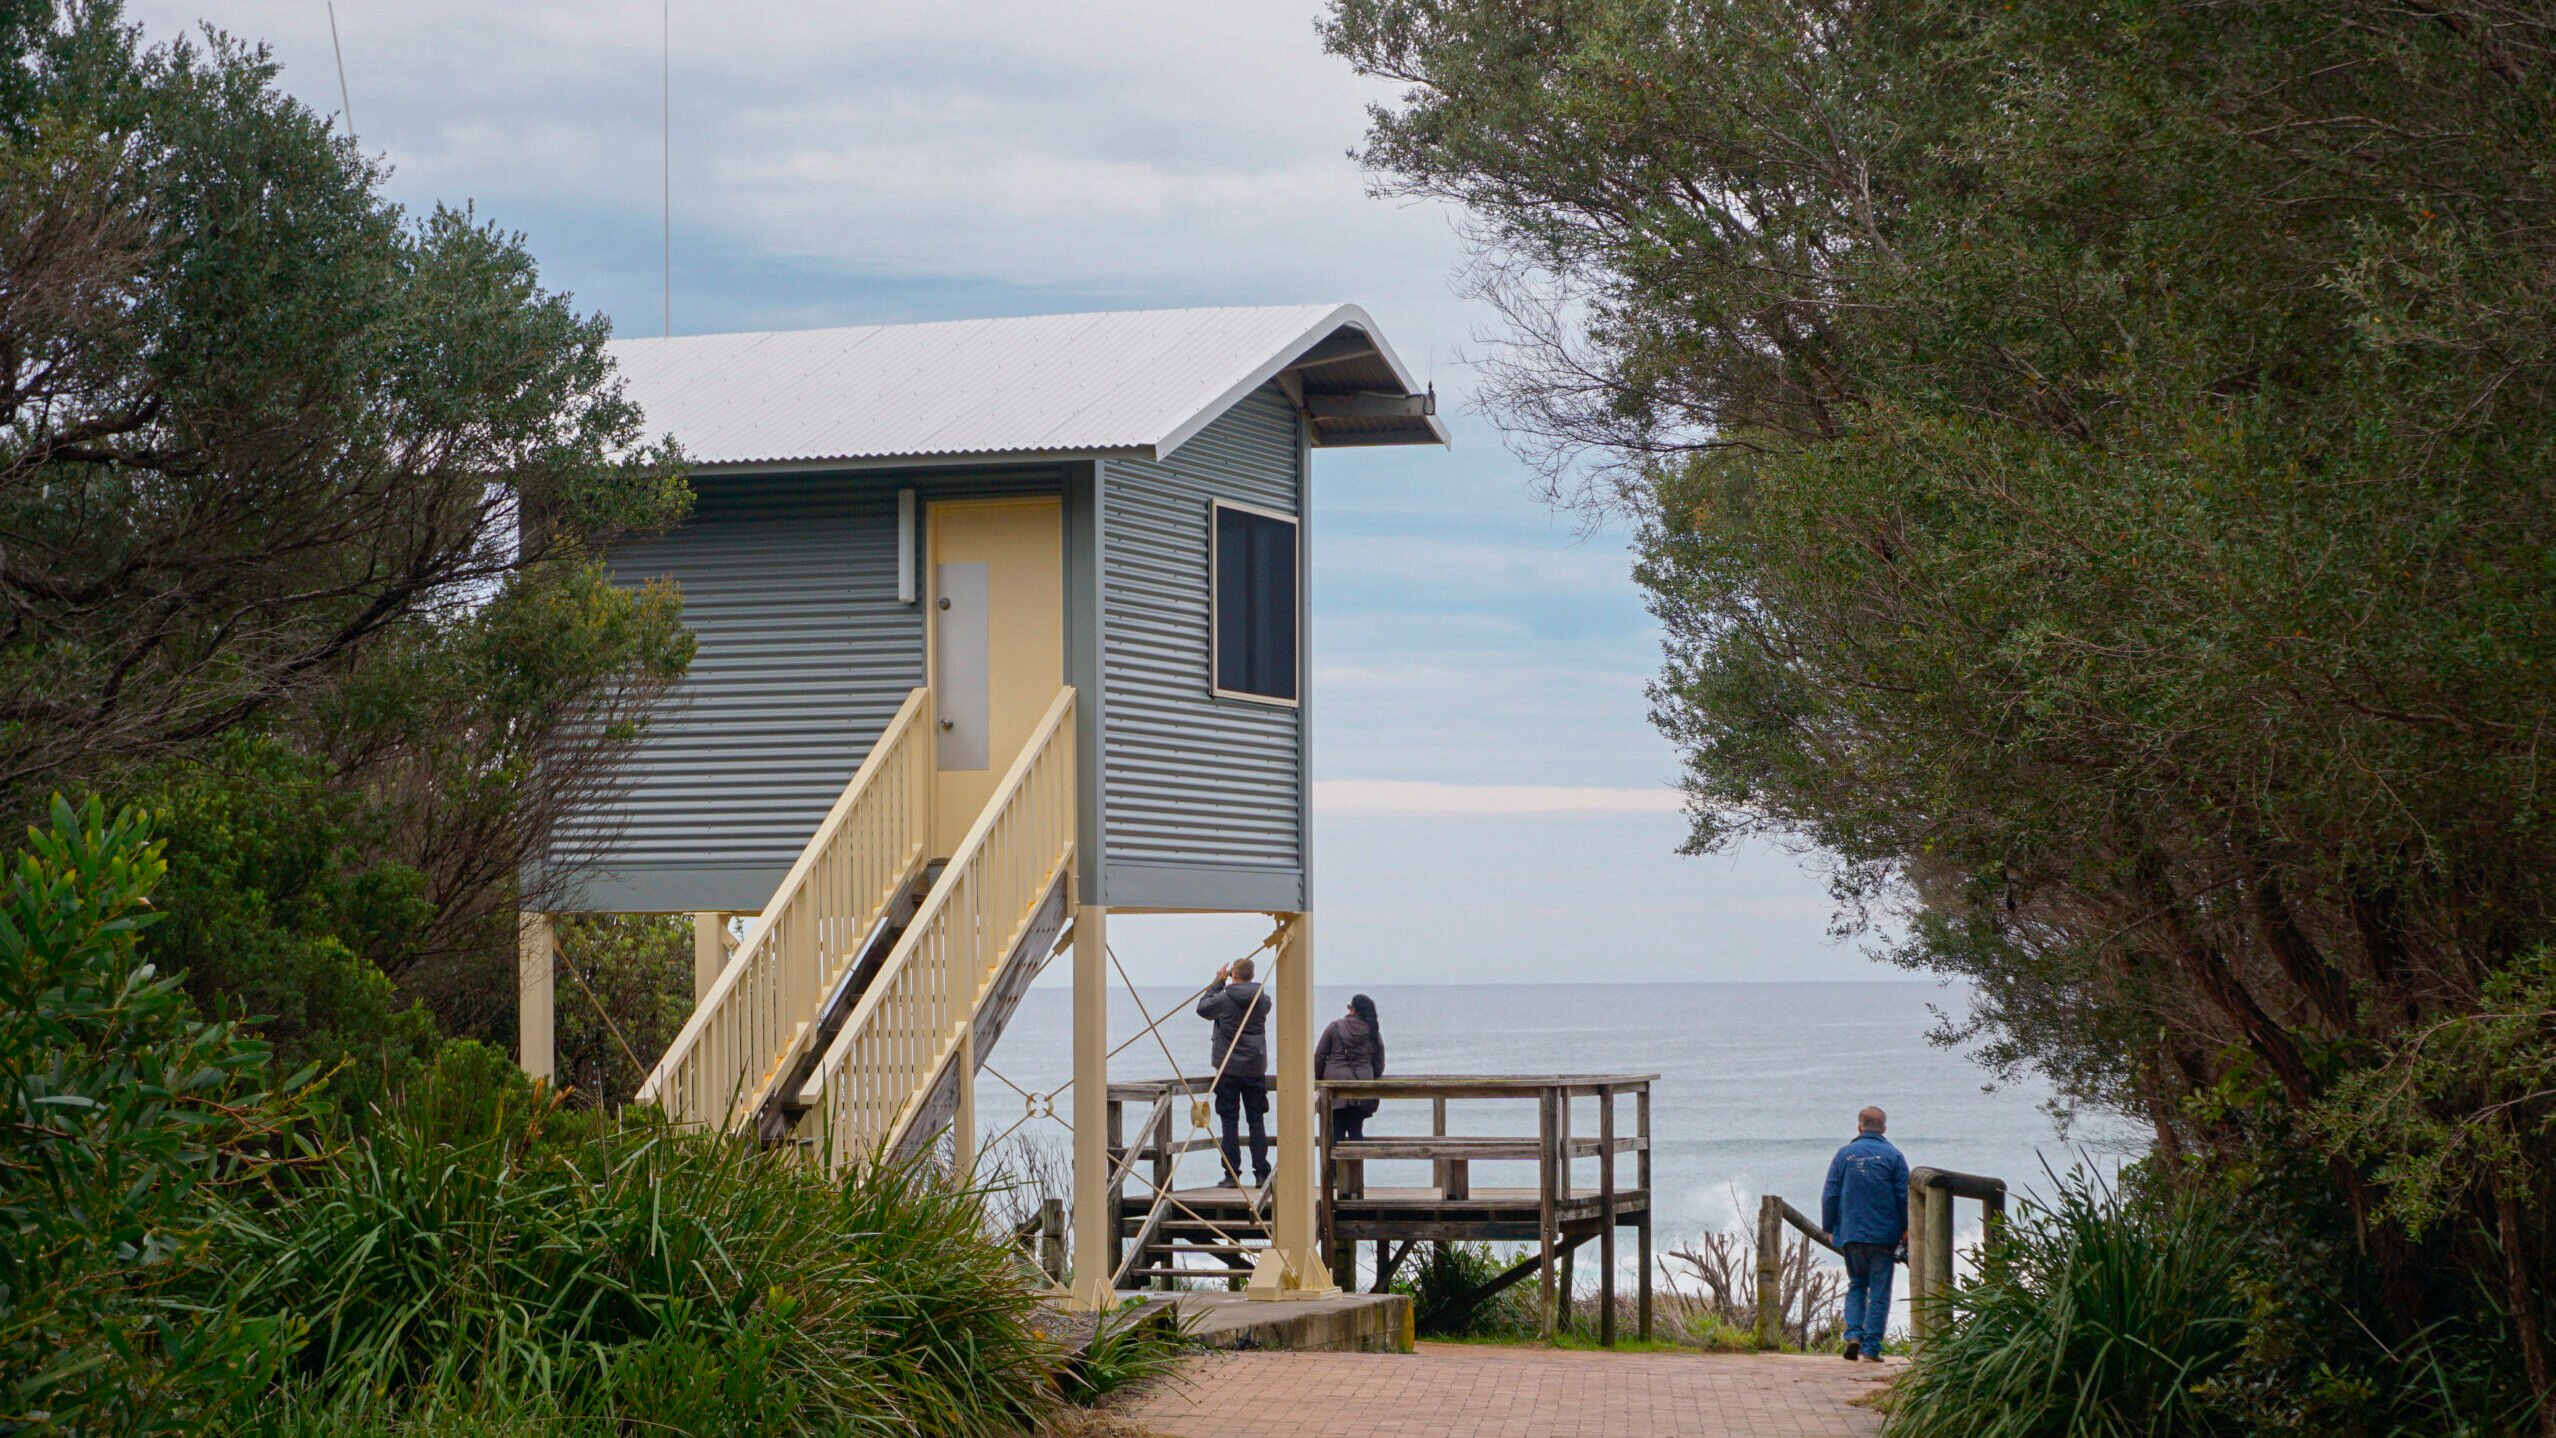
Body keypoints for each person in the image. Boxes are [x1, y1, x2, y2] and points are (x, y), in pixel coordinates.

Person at [1822, 1105, 1910, 1362]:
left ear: (1859, 1127)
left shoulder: (1844, 1155)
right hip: (1884, 1235)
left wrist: (1829, 1227)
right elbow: (1904, 1196)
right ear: (1884, 1128)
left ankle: (1853, 1335)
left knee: (1857, 1284)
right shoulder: (1894, 1156)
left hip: (1851, 1232)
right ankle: (1871, 1348)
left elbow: (1830, 1193)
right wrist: (1907, 1227)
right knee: (1880, 1291)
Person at [1195, 956, 1270, 1188]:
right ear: (1252, 975)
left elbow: (1202, 1008)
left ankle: (1231, 1175)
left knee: (1229, 1121)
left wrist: (1218, 981)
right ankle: (1261, 1173)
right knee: (1256, 1120)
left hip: (1228, 1068)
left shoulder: (1224, 998)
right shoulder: (1263, 1000)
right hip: (1255, 1067)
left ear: (1234, 976)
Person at [1315, 994, 1386, 1141]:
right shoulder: (1373, 1032)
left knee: (1336, 1130)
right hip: (1361, 1086)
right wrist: (1369, 1073)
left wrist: (1320, 1078)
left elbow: (1319, 1056)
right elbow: (1379, 1065)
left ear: (1353, 1010)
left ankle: (1333, 1157)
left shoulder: (1334, 1027)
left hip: (1335, 1086)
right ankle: (1357, 1155)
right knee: (1355, 1129)